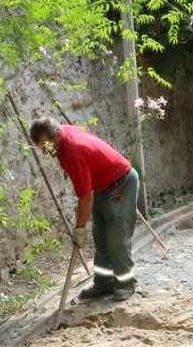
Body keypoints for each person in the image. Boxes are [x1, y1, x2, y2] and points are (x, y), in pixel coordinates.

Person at [29, 117, 140, 302]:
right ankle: (104, 283)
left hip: (121, 184)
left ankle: (126, 284)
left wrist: (80, 228)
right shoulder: (63, 132)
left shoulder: (73, 153)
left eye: (47, 146)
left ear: (56, 136)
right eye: (42, 148)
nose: (45, 151)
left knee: (117, 239)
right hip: (103, 186)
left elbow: (85, 197)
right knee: (101, 238)